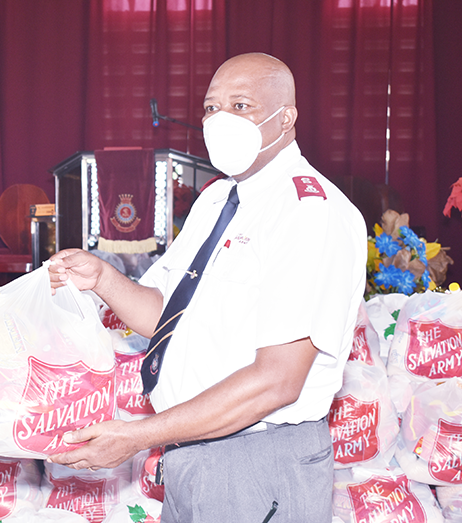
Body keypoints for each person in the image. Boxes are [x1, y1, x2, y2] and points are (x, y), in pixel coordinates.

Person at [48, 53, 367, 522]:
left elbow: (277, 380)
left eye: (241, 106)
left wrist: (137, 437)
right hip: (191, 451)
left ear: (287, 117)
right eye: (211, 108)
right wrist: (103, 279)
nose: (221, 121)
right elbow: (167, 316)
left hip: (257, 460)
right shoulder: (217, 199)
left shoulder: (308, 212)